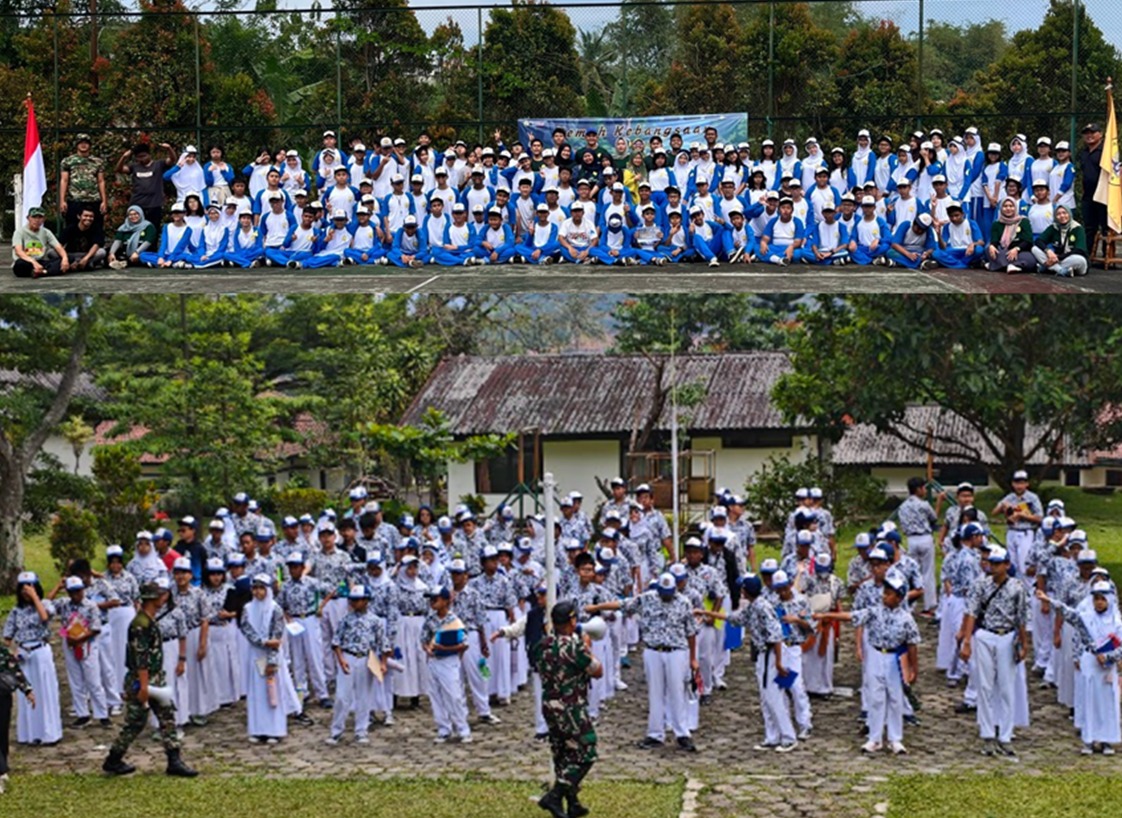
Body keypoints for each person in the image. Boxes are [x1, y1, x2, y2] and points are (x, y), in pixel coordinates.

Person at [587, 572, 699, 753]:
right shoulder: (647, 598)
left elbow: (691, 632)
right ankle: (655, 733)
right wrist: (597, 607)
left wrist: (693, 658)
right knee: (655, 692)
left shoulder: (684, 602)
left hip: (676, 650)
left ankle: (682, 733)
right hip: (653, 649)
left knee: (677, 691)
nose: (666, 596)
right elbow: (622, 604)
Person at [816, 572, 920, 755]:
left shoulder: (906, 619)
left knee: (895, 698)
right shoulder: (874, 611)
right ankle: (875, 737)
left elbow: (912, 645)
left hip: (895, 657)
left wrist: (913, 669)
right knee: (875, 697)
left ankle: (895, 739)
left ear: (899, 597)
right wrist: (826, 615)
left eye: (889, 594)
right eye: (884, 592)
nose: (884, 596)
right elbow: (851, 616)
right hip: (876, 654)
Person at [102, 580, 197, 777]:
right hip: (142, 679)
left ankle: (174, 760)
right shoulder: (140, 625)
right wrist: (144, 687)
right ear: (152, 599)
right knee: (135, 722)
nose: (164, 597)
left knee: (167, 717)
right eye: (160, 595)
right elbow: (141, 658)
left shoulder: (148, 620)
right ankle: (113, 759)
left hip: (154, 678)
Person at [532, 599, 602, 818]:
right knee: (586, 752)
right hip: (571, 707)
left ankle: (572, 803)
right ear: (572, 621)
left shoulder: (541, 645)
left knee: (562, 753)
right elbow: (597, 670)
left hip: (549, 705)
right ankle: (554, 796)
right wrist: (587, 648)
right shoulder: (574, 647)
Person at [1037, 581, 1121, 754]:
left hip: (1107, 667)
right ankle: (1088, 739)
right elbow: (1068, 612)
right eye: (1096, 599)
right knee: (1089, 700)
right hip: (1090, 663)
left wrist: (1108, 657)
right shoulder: (1086, 618)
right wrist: (1048, 600)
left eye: (1103, 599)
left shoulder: (1117, 622)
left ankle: (1106, 740)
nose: (1099, 602)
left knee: (1107, 702)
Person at [959, 545, 1027, 757]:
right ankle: (988, 734)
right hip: (986, 635)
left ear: (1007, 565)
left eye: (998, 564)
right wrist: (967, 640)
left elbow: (1021, 618)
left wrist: (1023, 644)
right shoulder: (980, 585)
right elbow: (971, 612)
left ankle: (1005, 736)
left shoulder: (1017, 587)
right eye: (991, 563)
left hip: (1007, 636)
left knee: (1006, 688)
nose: (993, 567)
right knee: (985, 686)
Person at [2, 572, 61, 746]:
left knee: (44, 691)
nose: (26, 591)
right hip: (23, 653)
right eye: (23, 588)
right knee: (26, 693)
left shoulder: (45, 604)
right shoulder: (16, 611)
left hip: (40, 650)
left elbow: (44, 617)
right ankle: (29, 734)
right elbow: (7, 636)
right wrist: (11, 652)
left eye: (30, 587)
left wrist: (35, 597)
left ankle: (48, 733)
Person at [327, 584, 389, 746]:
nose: (353, 603)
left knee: (364, 697)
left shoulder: (375, 621)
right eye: (352, 600)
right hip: (348, 656)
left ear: (366, 601)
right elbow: (336, 642)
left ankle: (361, 730)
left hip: (365, 658)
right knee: (342, 696)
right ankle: (336, 730)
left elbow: (383, 643)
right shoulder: (345, 619)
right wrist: (341, 659)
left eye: (357, 600)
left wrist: (383, 663)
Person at [240, 574, 297, 744]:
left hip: (271, 655)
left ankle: (274, 730)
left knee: (272, 691)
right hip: (255, 653)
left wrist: (272, 661)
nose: (258, 592)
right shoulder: (248, 608)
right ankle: (257, 729)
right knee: (256, 691)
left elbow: (277, 637)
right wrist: (263, 642)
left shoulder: (275, 609)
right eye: (255, 588)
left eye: (261, 588)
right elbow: (247, 630)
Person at [48, 574, 109, 728]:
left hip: (87, 643)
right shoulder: (64, 604)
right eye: (73, 591)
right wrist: (58, 586)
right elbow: (46, 604)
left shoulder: (91, 605)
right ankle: (82, 714)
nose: (76, 594)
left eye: (79, 591)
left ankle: (102, 714)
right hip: (70, 643)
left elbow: (96, 628)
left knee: (93, 680)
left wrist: (80, 639)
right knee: (75, 680)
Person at [115, 142, 174, 227]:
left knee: (153, 228)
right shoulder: (134, 167)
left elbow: (172, 160)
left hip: (154, 204)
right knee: (136, 228)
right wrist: (123, 157)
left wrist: (169, 148)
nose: (141, 159)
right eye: (139, 157)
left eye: (143, 156)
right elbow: (119, 169)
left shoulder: (159, 164)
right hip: (137, 204)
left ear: (149, 154)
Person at [60, 133, 107, 233]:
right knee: (72, 228)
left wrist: (104, 201)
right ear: (76, 145)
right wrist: (62, 200)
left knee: (96, 228)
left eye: (86, 143)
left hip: (93, 199)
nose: (83, 145)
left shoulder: (98, 162)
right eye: (80, 143)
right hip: (75, 199)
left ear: (90, 145)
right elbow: (64, 180)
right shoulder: (68, 161)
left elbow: (101, 181)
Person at [983, 197, 1037, 273]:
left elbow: (1028, 240)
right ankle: (1014, 265)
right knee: (988, 249)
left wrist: (1017, 249)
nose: (1008, 208)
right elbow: (995, 240)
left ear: (1015, 208)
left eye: (1011, 206)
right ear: (1001, 208)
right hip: (1003, 251)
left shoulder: (1024, 221)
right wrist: (992, 246)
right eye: (1005, 206)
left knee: (1030, 260)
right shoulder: (997, 223)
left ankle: (996, 264)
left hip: (1019, 252)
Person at [11, 207, 69, 278]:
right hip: (26, 260)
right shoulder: (19, 232)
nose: (37, 220)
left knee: (65, 260)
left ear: (44, 219)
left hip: (40, 261)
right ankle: (44, 271)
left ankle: (42, 272)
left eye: (40, 217)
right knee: (20, 264)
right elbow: (18, 251)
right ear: (28, 218)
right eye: (34, 217)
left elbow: (58, 246)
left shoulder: (46, 232)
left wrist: (65, 258)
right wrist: (33, 262)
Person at [1031, 205, 1088, 277]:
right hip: (1056, 259)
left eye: (1064, 213)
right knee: (1034, 249)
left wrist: (1058, 258)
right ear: (1055, 217)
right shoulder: (1053, 227)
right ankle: (1061, 271)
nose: (1062, 216)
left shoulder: (1078, 228)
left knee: (1080, 260)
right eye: (1058, 214)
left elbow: (1079, 249)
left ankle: (1047, 267)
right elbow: (1039, 241)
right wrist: (1048, 251)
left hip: (1069, 259)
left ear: (1069, 214)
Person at [1078, 122, 1106, 247]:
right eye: (1086, 133)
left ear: (1100, 134)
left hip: (1103, 194)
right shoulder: (1083, 153)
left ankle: (1107, 255)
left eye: (1092, 133)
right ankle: (1087, 254)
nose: (1089, 136)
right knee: (1089, 227)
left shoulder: (1106, 152)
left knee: (1105, 227)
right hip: (1088, 195)